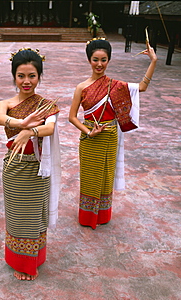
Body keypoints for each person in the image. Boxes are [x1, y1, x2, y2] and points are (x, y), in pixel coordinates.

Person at [69, 37, 157, 229]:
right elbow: (72, 117)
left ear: (108, 60)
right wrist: (89, 131)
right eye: (95, 59)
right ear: (89, 60)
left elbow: (142, 87)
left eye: (103, 60)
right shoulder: (81, 88)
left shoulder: (115, 86)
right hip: (89, 139)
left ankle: (102, 215)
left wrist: (153, 61)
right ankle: (87, 217)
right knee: (90, 178)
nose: (99, 64)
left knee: (106, 177)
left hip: (109, 137)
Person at [0, 48, 61, 280]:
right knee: (16, 217)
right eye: (21, 75)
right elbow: (0, 118)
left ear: (39, 76)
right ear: (14, 76)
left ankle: (33, 261)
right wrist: (23, 123)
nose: (26, 81)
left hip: (37, 168)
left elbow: (50, 127)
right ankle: (18, 261)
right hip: (14, 168)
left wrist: (30, 131)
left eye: (32, 75)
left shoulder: (46, 105)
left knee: (34, 217)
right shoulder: (5, 103)